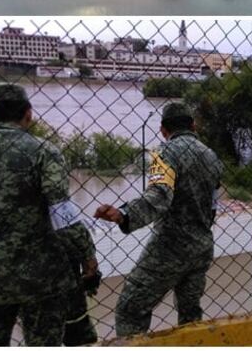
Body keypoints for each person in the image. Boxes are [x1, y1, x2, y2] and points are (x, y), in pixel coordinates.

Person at [0, 84, 98, 346]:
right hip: (41, 278)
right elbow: (62, 213)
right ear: (29, 114)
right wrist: (88, 256)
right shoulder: (44, 152)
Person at [92, 102, 223, 338]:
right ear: (193, 126)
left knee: (130, 309)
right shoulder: (211, 156)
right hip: (203, 245)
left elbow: (160, 195)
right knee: (190, 313)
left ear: (163, 129)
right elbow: (213, 205)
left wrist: (125, 214)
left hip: (170, 247)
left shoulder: (165, 152)